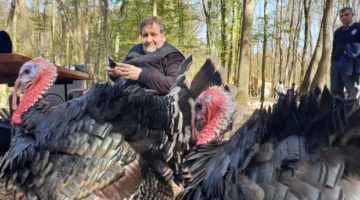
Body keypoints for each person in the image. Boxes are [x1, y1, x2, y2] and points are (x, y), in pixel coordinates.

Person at [107, 16, 185, 95]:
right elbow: (123, 73)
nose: (148, 40)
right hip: (119, 97)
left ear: (163, 37)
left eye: (153, 35)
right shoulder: (135, 50)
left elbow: (175, 84)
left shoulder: (172, 55)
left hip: (151, 102)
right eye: (145, 35)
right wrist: (115, 74)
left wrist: (142, 75)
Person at [331, 7, 360, 98]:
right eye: (341, 16)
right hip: (336, 63)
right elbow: (334, 48)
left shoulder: (358, 27)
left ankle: (355, 109)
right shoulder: (337, 32)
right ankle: (338, 110)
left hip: (351, 63)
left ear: (352, 15)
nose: (344, 17)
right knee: (335, 91)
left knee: (352, 91)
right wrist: (332, 62)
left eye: (346, 15)